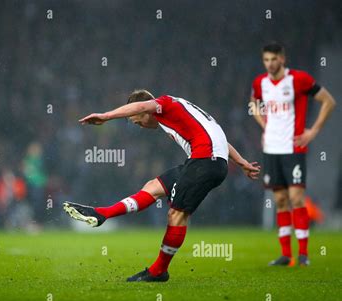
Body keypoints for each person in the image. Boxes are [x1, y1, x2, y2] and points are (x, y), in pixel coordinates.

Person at [63, 90, 260, 282]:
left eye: (137, 121)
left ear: (144, 111)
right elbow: (220, 139)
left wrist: (106, 116)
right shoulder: (179, 111)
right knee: (153, 187)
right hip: (205, 161)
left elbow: (141, 104)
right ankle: (103, 214)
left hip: (205, 162)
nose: (139, 126)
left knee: (176, 215)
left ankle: (158, 271)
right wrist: (242, 162)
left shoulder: (163, 104)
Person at [250, 43, 336, 266]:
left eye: (273, 59)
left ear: (282, 59)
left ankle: (304, 254)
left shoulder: (299, 79)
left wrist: (313, 131)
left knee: (296, 198)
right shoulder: (260, 83)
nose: (269, 64)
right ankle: (286, 254)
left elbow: (329, 101)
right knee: (279, 200)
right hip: (271, 148)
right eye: (266, 60)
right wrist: (264, 125)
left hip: (293, 148)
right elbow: (253, 103)